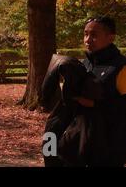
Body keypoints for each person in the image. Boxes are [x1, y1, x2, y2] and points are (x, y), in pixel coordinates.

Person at [42, 16, 126, 166]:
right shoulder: (84, 64)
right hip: (80, 143)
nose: (87, 39)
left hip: (109, 147)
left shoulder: (121, 67)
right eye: (86, 34)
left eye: (94, 35)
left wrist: (94, 104)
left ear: (110, 38)